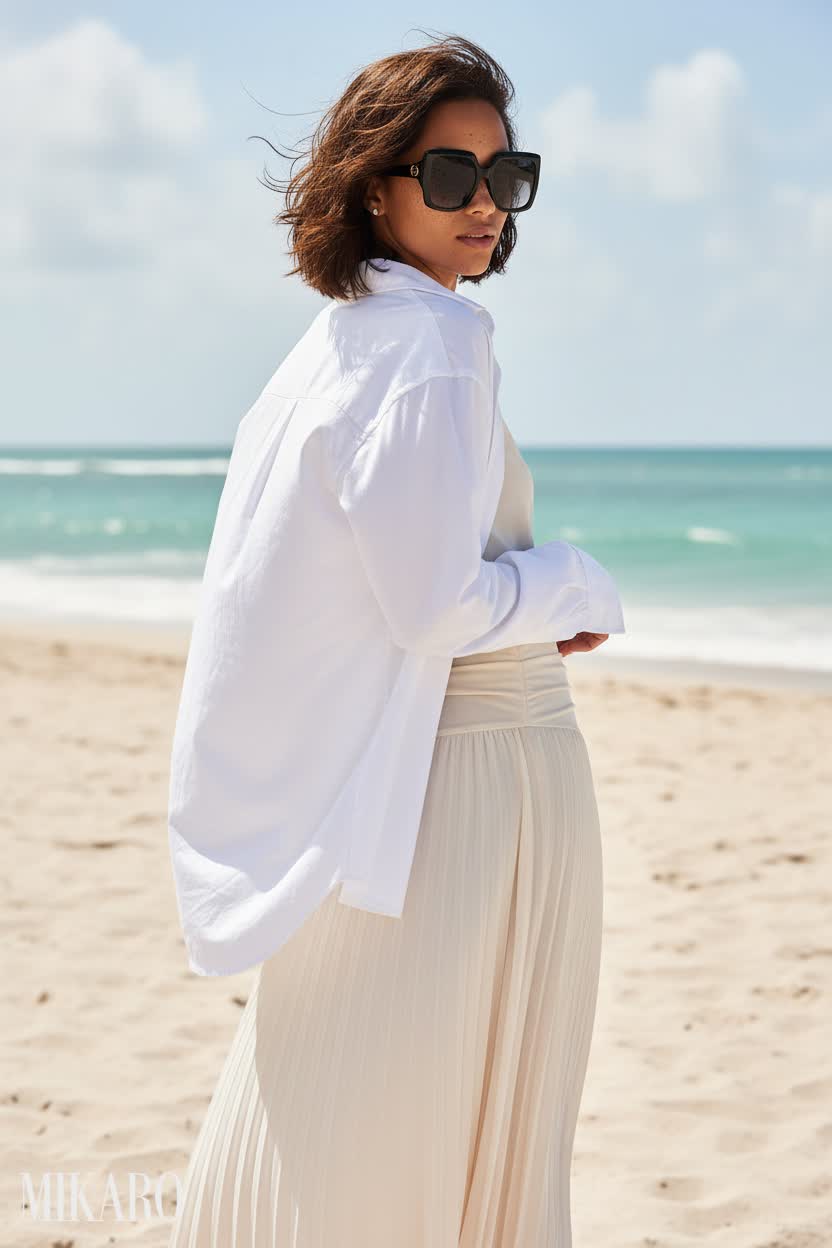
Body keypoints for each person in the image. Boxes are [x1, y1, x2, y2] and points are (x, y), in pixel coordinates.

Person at [167, 33, 625, 1247]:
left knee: (341, 1091)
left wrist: (517, 598)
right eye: (448, 176)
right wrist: (570, 583)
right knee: (433, 1118)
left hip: (410, 772)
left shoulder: (342, 346)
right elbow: (434, 607)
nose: (483, 204)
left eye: (504, 176)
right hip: (473, 781)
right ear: (375, 186)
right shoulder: (423, 353)